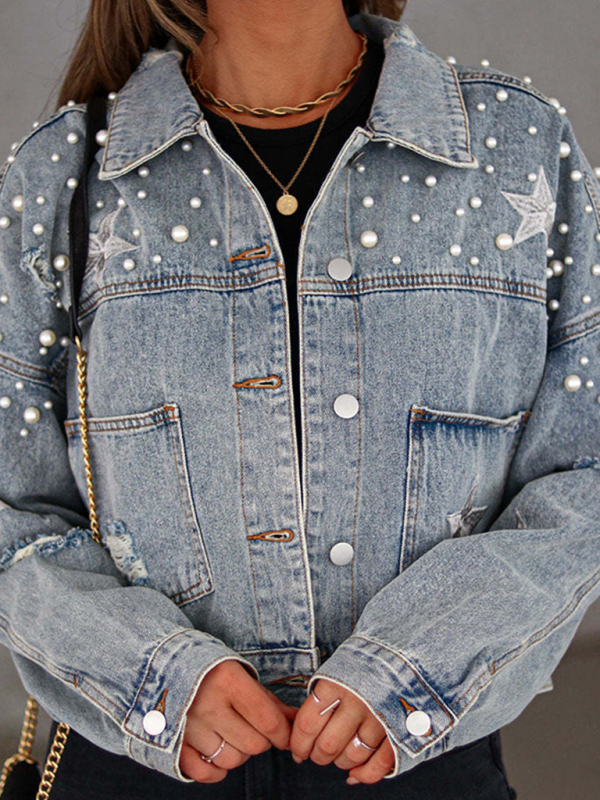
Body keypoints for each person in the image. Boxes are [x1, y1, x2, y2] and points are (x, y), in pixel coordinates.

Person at [1, 0, 599, 797]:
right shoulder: (62, 174)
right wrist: (155, 678)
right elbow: (13, 510)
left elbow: (582, 476)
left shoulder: (518, 148)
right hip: (135, 769)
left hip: (420, 766)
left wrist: (418, 670)